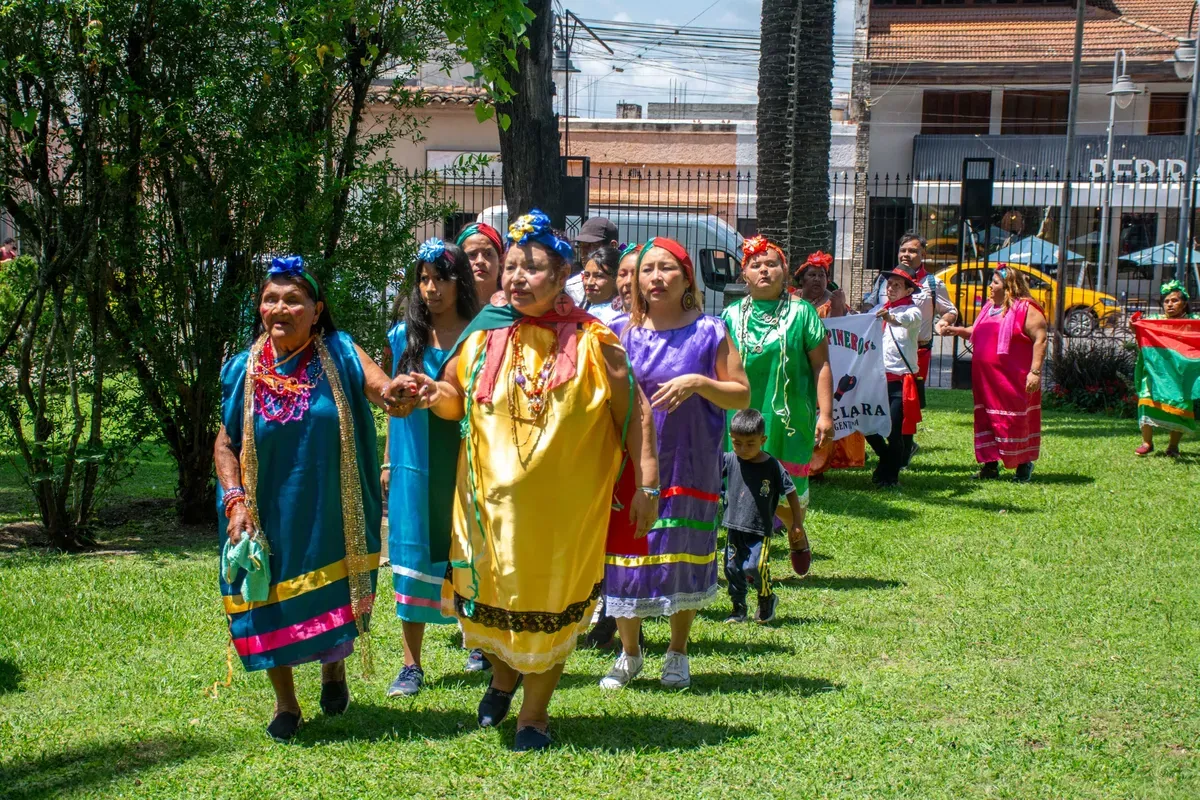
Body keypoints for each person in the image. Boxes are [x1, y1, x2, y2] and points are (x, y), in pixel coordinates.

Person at [404, 210, 658, 751]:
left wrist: (648, 485)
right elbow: (455, 399)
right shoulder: (484, 332)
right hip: (488, 510)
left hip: (562, 517)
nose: (517, 277)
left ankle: (533, 714)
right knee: (496, 601)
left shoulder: (595, 341)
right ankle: (503, 677)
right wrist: (432, 394)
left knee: (547, 605)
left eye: (533, 268)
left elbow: (635, 412)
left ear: (563, 274)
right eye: (512, 267)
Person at [214, 256, 405, 742]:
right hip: (265, 510)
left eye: (293, 300)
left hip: (329, 507)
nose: (280, 308)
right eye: (270, 299)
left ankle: (332, 669)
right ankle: (286, 704)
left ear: (317, 310)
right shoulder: (241, 370)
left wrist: (399, 392)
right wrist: (236, 500)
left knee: (332, 593)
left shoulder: (340, 352)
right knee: (265, 594)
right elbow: (226, 443)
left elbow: (381, 389)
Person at [600, 236, 750, 691]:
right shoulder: (620, 333)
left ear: (687, 278)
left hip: (690, 461)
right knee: (628, 551)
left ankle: (677, 652)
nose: (655, 277)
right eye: (647, 269)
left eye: (666, 268)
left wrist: (699, 382)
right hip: (631, 465)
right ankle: (629, 653)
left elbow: (741, 394)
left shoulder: (710, 331)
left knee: (684, 552)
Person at [381, 239, 480, 698]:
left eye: (441, 278)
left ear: (461, 282)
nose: (431, 288)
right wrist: (388, 459)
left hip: (464, 458)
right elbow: (390, 401)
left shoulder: (480, 334)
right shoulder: (403, 337)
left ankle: (479, 643)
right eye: (423, 279)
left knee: (467, 548)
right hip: (413, 460)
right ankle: (411, 664)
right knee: (412, 550)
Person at [722, 236, 833, 579]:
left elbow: (821, 364)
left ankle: (795, 530)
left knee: (783, 490)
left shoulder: (802, 314)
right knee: (744, 485)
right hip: (740, 416)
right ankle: (751, 559)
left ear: (784, 271)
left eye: (771, 264)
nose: (764, 270)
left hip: (789, 418)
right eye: (755, 265)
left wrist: (826, 414)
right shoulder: (730, 316)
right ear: (744, 274)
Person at [945, 266, 1047, 482]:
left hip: (1012, 379)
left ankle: (1023, 465)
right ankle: (990, 466)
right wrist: (956, 330)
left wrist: (1035, 372)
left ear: (1009, 286)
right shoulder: (989, 307)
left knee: (1014, 420)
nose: (990, 286)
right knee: (987, 419)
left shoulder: (1026, 309)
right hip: (986, 380)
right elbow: (977, 332)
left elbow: (1041, 339)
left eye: (995, 282)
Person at [863, 233, 957, 461]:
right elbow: (869, 306)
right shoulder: (884, 280)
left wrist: (944, 322)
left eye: (913, 250)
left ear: (923, 254)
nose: (907, 254)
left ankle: (903, 449)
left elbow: (950, 310)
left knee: (906, 402)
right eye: (903, 250)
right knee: (880, 400)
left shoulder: (933, 283)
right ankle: (897, 449)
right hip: (882, 351)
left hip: (917, 351)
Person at [722, 409, 807, 624]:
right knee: (732, 568)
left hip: (759, 529)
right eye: (737, 443)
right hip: (734, 526)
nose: (743, 449)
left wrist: (796, 523)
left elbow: (791, 492)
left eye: (750, 444)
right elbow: (708, 477)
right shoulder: (729, 460)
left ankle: (766, 598)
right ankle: (738, 607)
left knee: (755, 566)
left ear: (763, 440)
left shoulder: (772, 466)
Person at [796, 251, 866, 477]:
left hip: (823, 367)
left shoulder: (833, 302)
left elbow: (843, 333)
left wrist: (838, 308)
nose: (817, 279)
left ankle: (817, 466)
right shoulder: (791, 300)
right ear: (802, 279)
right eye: (812, 275)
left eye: (822, 275)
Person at [865, 269, 924, 489]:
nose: (890, 288)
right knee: (867, 424)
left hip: (898, 380)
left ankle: (890, 477)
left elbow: (906, 320)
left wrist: (890, 317)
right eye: (889, 284)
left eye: (897, 285)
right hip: (876, 380)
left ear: (909, 291)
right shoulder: (879, 310)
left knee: (893, 430)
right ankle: (887, 460)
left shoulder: (913, 311)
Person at [1131, 280, 1198, 457]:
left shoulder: (1194, 323)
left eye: (1175, 300)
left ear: (1184, 303)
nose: (1170, 304)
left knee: (1180, 406)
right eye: (1166, 301)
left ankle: (1173, 447)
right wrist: (1134, 324)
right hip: (1156, 372)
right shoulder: (1154, 321)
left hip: (1181, 374)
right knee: (1146, 400)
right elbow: (1139, 332)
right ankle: (1147, 443)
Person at [565, 216, 619, 304]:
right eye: (582, 245)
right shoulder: (570, 290)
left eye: (593, 245)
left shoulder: (628, 286)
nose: (585, 251)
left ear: (613, 246)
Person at [456, 222, 505, 306]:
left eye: (488, 254)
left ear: (500, 261)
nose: (480, 261)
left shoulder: (516, 306)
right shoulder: (449, 308)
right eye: (472, 254)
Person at [579, 245, 625, 328]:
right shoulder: (580, 313)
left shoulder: (622, 320)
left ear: (617, 279)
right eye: (586, 275)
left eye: (599, 276)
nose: (589, 283)